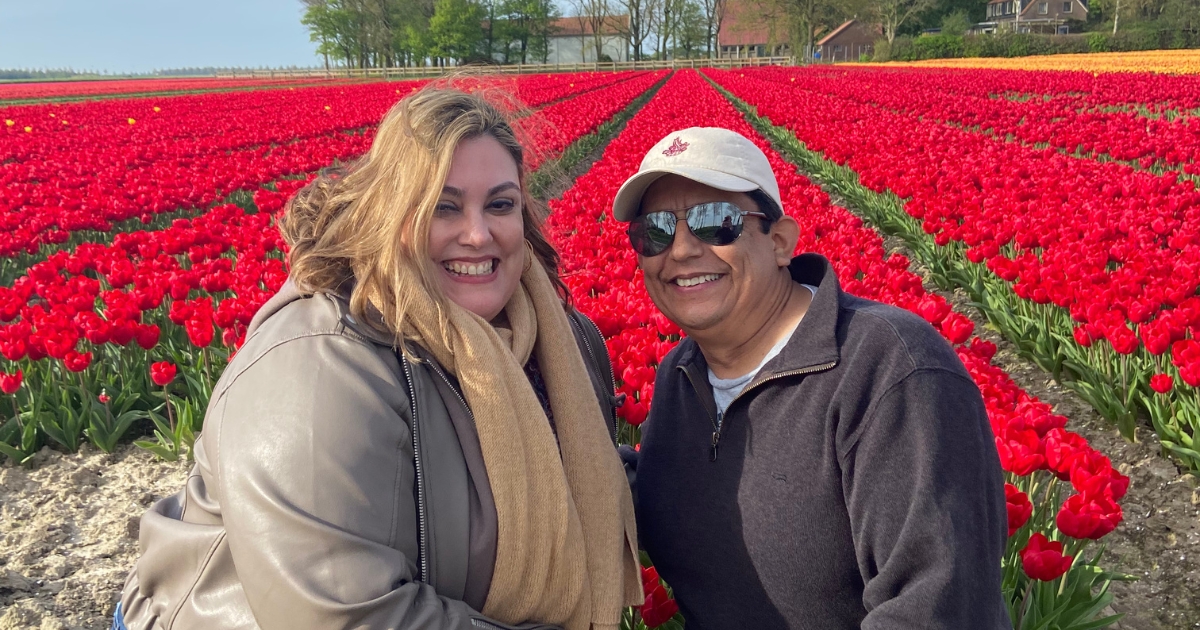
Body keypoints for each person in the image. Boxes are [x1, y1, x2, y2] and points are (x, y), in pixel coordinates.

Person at [115, 87, 641, 630]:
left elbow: (578, 473)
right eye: (444, 206)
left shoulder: (558, 341)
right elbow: (342, 614)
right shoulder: (320, 364)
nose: (478, 233)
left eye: (500, 204)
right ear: (391, 212)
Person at [612, 127, 1010, 629]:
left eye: (717, 222)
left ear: (780, 242)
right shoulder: (681, 375)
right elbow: (668, 496)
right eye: (656, 231)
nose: (683, 249)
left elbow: (935, 609)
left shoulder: (888, 369)